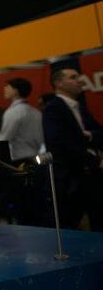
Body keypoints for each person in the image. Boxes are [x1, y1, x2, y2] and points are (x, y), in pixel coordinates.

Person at [42, 67, 103, 230]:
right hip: (72, 178)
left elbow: (99, 133)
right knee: (70, 226)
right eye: (73, 77)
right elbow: (59, 144)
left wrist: (90, 135)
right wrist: (93, 159)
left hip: (90, 174)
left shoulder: (79, 107)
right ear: (58, 83)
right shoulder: (53, 108)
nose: (80, 80)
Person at [0, 78, 43, 163]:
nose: (4, 89)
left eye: (8, 87)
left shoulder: (13, 112)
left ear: (16, 91)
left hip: (20, 159)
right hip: (37, 157)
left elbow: (4, 138)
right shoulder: (37, 112)